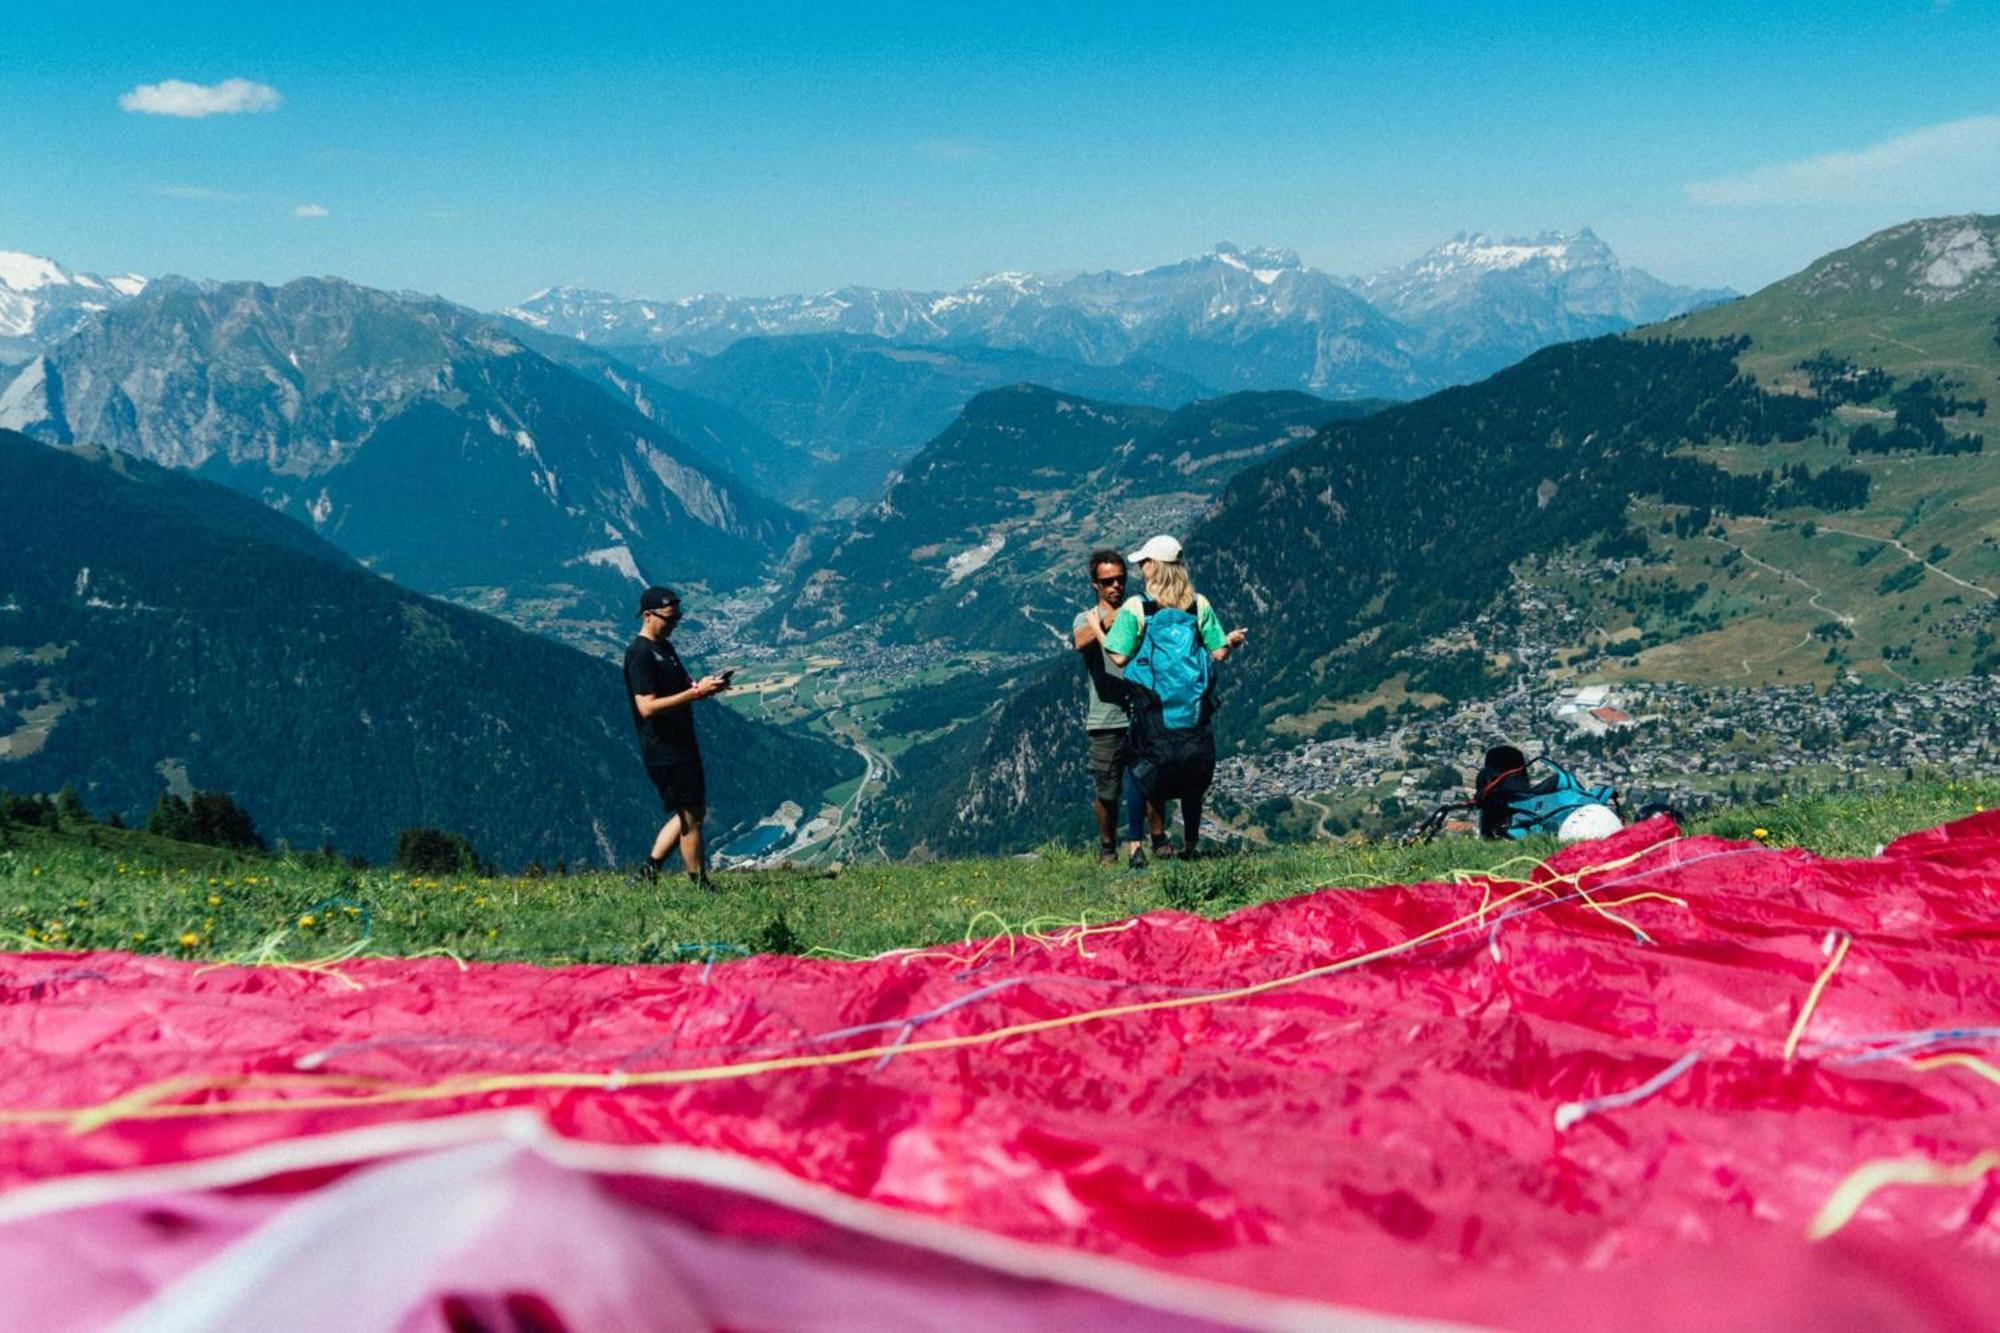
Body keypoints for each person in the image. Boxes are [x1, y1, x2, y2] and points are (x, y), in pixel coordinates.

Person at [1104, 535, 1247, 867]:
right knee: (1191, 776)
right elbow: (1218, 653)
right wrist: (1231, 640)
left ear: (1154, 566)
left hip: (1153, 710)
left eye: (1143, 563)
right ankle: (1192, 845)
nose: (1140, 569)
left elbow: (1119, 657)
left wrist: (1100, 632)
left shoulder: (1137, 607)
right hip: (1192, 711)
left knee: (1140, 771)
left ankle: (1136, 848)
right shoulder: (1199, 604)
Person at [624, 585, 731, 888]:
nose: (674, 624)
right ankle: (700, 884)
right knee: (692, 816)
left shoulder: (664, 648)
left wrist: (707, 686)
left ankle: (649, 871)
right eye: (669, 619)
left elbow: (683, 686)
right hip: (664, 747)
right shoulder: (640, 654)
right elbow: (646, 706)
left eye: (677, 619)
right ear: (647, 615)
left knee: (689, 811)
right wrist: (695, 693)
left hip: (680, 742)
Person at [1073, 549, 1168, 865]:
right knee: (1107, 790)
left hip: (1143, 714)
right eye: (1107, 581)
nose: (1115, 586)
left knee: (1154, 783)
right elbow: (1079, 640)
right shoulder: (1086, 618)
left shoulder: (1138, 611)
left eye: (1120, 580)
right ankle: (1108, 849)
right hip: (1106, 718)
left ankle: (1159, 841)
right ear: (1095, 585)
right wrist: (1107, 620)